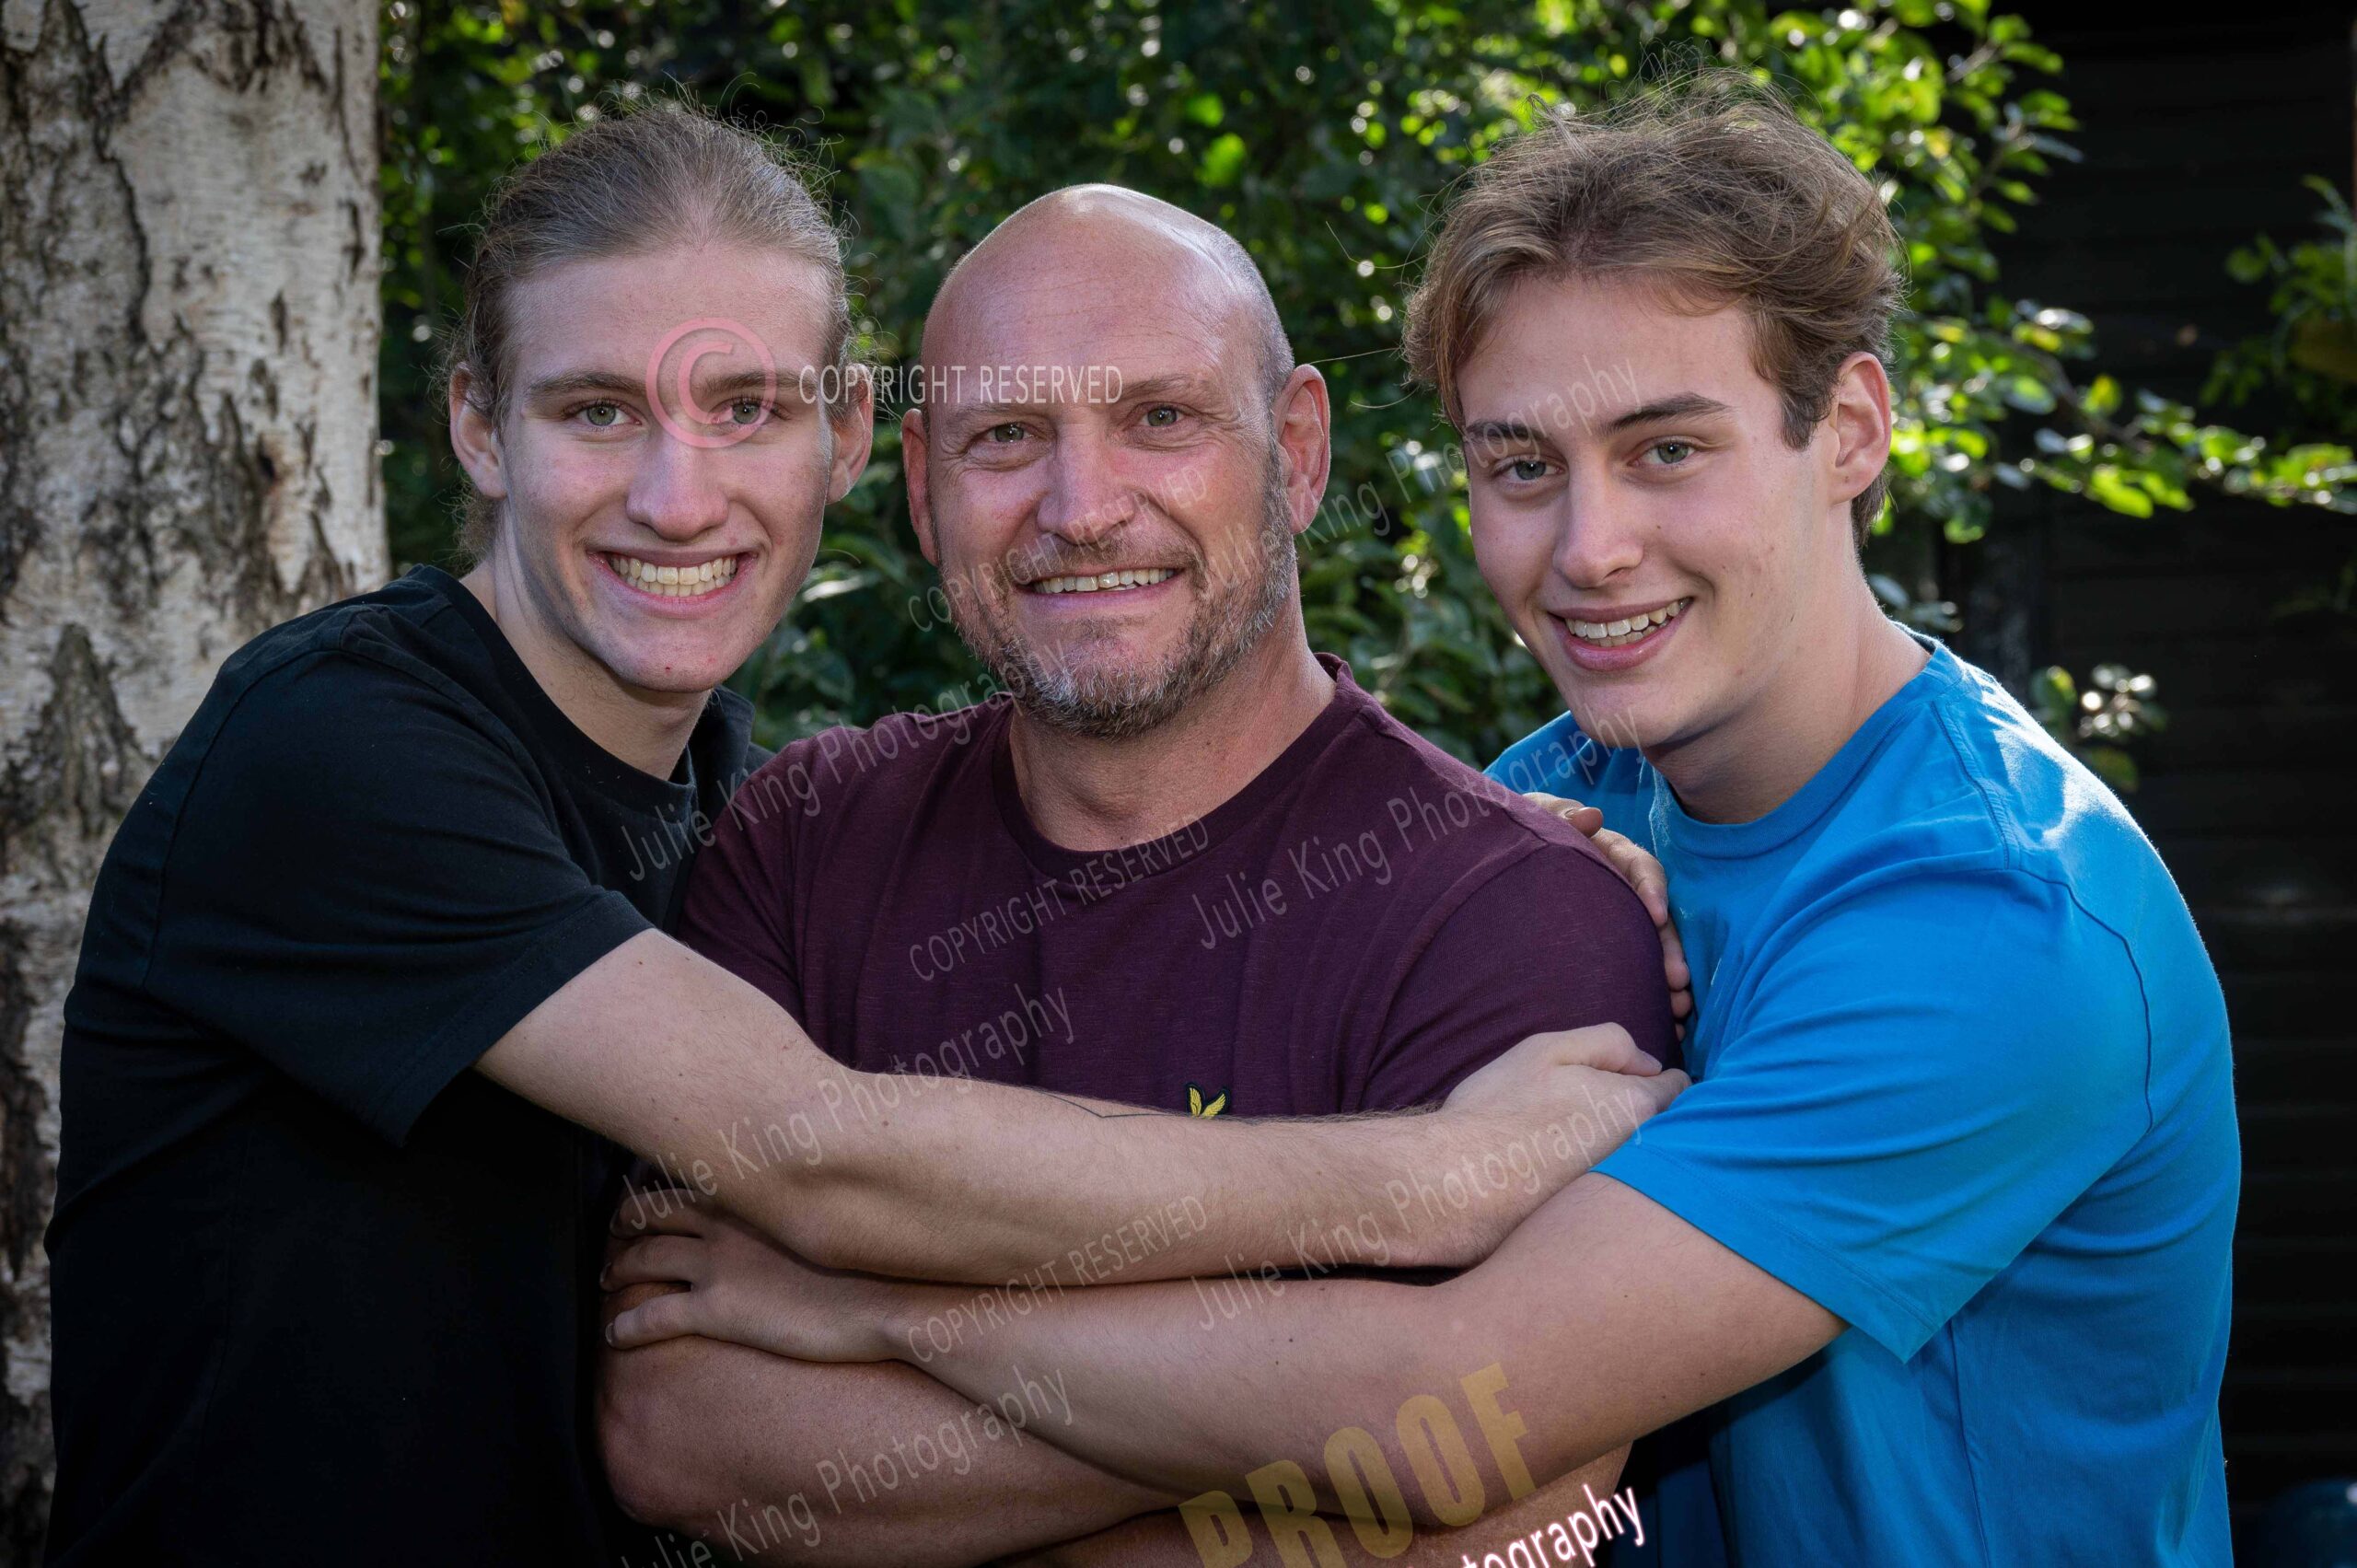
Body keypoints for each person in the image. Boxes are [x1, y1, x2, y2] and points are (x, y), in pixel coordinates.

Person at [603, 73, 2240, 1566]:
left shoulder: (1996, 923)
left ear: (1856, 431)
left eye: (1668, 449)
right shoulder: (1576, 802)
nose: (1591, 546)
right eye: (1523, 464)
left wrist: (871, 1310)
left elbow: (1472, 1413)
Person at [41, 103, 1680, 1566]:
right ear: (479, 426)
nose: (679, 497)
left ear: (832, 442)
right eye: (599, 409)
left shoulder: (713, 792)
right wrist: (1424, 1199)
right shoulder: (354, 753)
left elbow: (1504, 1462)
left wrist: (876, 1315)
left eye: (746, 406)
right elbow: (751, 1279)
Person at [595, 183, 1682, 1566]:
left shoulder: (1512, 922)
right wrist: (1307, 1431)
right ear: (922, 487)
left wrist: (883, 1307)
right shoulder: (807, 840)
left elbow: (1507, 1490)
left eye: (1161, 418)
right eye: (1008, 438)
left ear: (1295, 451)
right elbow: (673, 1426)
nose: (1083, 507)